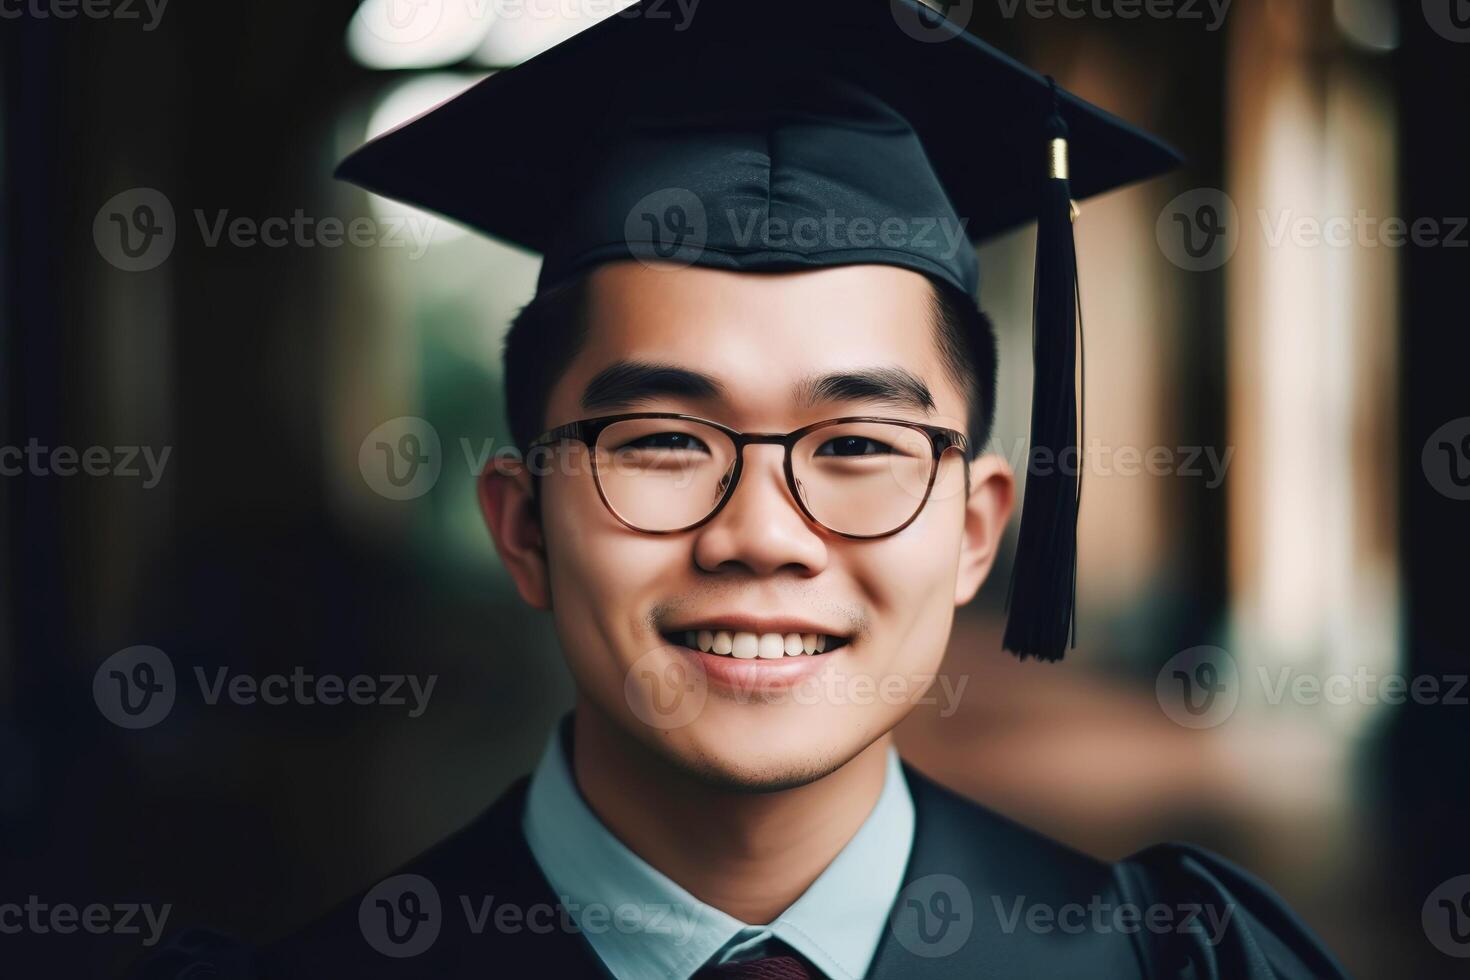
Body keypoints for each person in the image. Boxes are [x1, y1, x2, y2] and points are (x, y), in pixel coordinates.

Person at [139, 1, 1349, 977]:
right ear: (522, 525)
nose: (761, 534)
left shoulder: (1161, 963)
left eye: (859, 445)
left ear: (978, 528)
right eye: (662, 440)